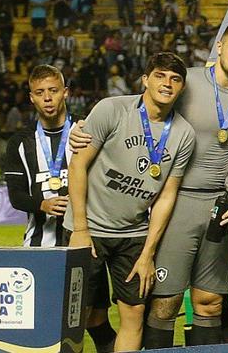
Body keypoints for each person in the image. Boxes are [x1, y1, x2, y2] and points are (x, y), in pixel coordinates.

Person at [104, 22, 228, 348]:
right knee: (166, 303)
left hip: (216, 212)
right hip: (174, 204)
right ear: (219, 46)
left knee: (210, 303)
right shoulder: (185, 81)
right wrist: (92, 129)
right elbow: (140, 112)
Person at [66, 52, 198, 352]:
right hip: (91, 229)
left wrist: (148, 253)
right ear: (145, 79)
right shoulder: (111, 109)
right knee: (78, 315)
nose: (167, 83)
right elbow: (78, 166)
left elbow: (167, 195)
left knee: (135, 311)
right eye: (161, 76)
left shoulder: (184, 134)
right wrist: (80, 228)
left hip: (133, 235)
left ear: (181, 87)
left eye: (175, 79)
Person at [3, 65, 117, 350]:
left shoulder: (86, 132)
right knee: (46, 321)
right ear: (31, 98)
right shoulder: (20, 142)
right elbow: (16, 196)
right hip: (39, 248)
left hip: (86, 244)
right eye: (40, 93)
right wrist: (42, 203)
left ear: (65, 92)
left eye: (53, 91)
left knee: (95, 320)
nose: (48, 98)